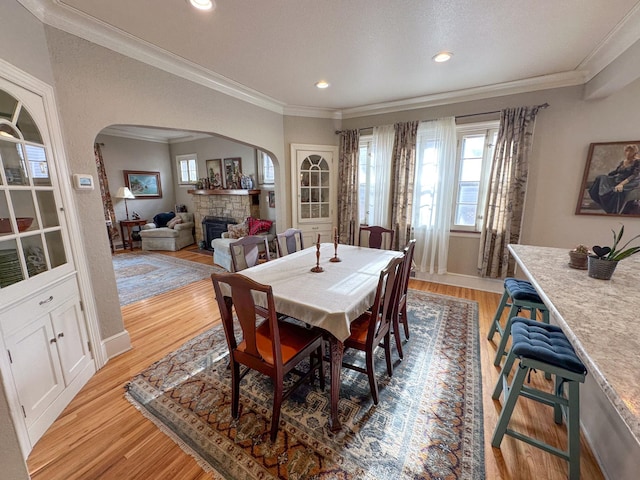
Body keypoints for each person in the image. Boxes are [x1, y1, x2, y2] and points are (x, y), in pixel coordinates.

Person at [589, 144, 640, 213]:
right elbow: (616, 171)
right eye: (627, 151)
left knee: (617, 191)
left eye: (630, 151)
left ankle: (614, 210)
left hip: (630, 181)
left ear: (634, 153)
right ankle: (602, 202)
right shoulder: (623, 162)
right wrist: (607, 176)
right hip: (619, 179)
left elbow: (634, 175)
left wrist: (621, 184)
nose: (628, 153)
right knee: (600, 178)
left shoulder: (637, 162)